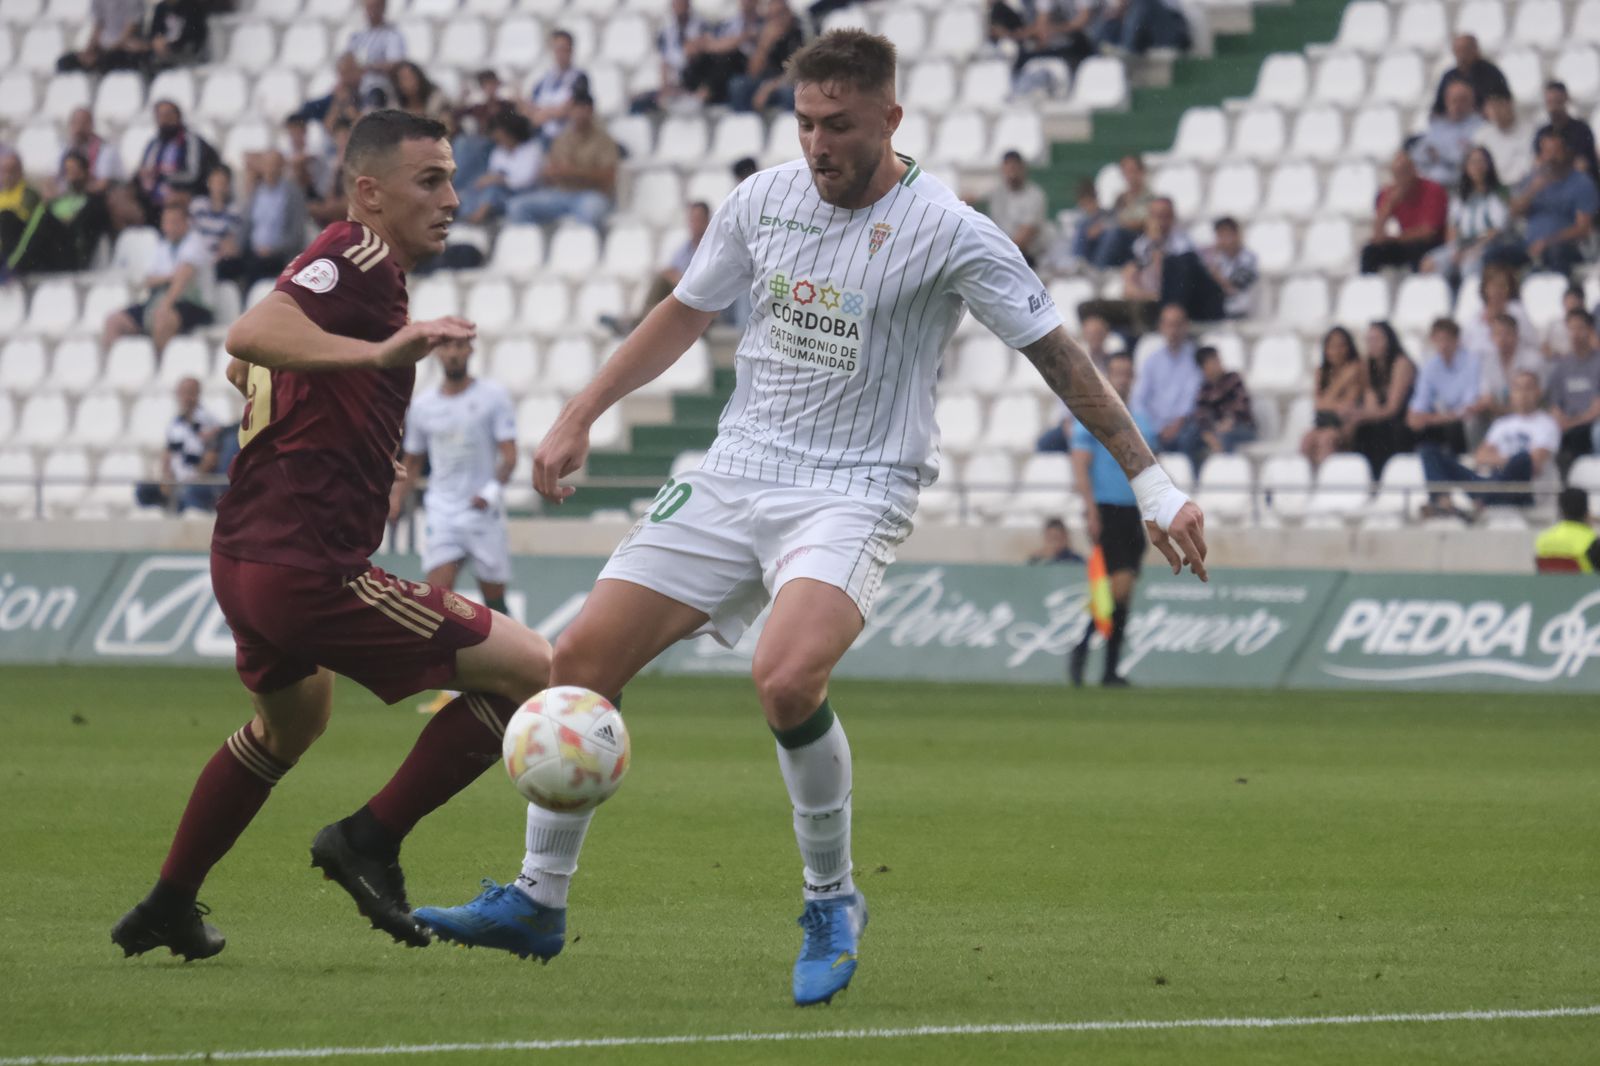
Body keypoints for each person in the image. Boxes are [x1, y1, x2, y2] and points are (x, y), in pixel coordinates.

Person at [407, 31, 1206, 1008]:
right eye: (806, 123)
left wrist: (1153, 485)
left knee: (786, 680)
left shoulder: (951, 230)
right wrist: (582, 412)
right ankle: (538, 897)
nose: (819, 144)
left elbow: (1057, 355)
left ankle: (831, 900)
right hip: (737, 469)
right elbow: (685, 310)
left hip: (857, 484)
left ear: (890, 119)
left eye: (839, 125)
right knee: (576, 662)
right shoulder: (762, 200)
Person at [110, 110, 552, 963]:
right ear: (370, 192)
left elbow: (249, 360)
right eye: (431, 181)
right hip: (309, 567)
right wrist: (378, 358)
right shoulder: (362, 255)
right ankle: (368, 839)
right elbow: (247, 336)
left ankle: (168, 901)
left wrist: (327, 386)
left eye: (453, 179)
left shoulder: (354, 269)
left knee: (290, 725)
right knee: (535, 669)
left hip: (243, 558)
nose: (452, 199)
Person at [393, 339, 519, 714]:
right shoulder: (423, 406)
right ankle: (448, 689)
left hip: (482, 513)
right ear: (437, 354)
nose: (452, 353)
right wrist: (396, 498)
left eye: (459, 347)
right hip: (442, 512)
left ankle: (516, 673)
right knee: (437, 599)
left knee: (495, 601)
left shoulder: (493, 397)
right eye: (446, 347)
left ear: (470, 351)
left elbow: (510, 457)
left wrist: (491, 492)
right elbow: (412, 461)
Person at [1068, 352, 1156, 688]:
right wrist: (1090, 509)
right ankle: (1087, 651)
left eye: (1127, 373)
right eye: (1117, 372)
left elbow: (1149, 467)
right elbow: (1080, 463)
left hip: (1132, 511)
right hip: (1106, 509)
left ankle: (1107, 667)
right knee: (1116, 588)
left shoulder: (1142, 421)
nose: (1122, 379)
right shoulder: (1091, 414)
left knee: (1122, 593)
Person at [1419, 371, 1555, 518]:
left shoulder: (1547, 424)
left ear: (1538, 392)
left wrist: (1499, 459)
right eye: (1518, 388)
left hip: (1521, 489)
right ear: (1511, 392)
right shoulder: (1502, 424)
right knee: (1429, 451)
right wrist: (1504, 461)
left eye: (1528, 388)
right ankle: (1444, 504)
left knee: (1521, 460)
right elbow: (1480, 457)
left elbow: (1534, 464)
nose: (1523, 394)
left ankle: (1481, 503)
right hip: (1490, 483)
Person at [101, 200, 215, 354]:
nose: (169, 226)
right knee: (114, 321)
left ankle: (158, 364)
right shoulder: (163, 246)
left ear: (186, 223)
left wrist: (165, 303)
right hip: (158, 300)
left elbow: (182, 279)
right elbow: (148, 280)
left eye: (174, 222)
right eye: (166, 222)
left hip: (194, 305)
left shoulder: (195, 243)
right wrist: (170, 278)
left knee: (163, 318)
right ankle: (116, 363)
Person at [506, 91, 618, 230]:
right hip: (561, 193)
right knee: (517, 207)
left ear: (591, 111)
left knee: (591, 212)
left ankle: (584, 243)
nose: (579, 114)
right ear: (570, 112)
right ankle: (537, 242)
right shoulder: (561, 139)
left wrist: (573, 172)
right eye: (576, 109)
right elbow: (551, 172)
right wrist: (550, 174)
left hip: (591, 193)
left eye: (584, 109)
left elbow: (609, 176)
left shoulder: (604, 140)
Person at [1489, 130, 1596, 275]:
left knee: (1555, 252)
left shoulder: (1581, 183)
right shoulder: (1533, 179)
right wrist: (1532, 190)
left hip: (1565, 247)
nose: (1551, 157)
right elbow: (1513, 213)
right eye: (1546, 152)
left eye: (1556, 151)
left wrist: (1547, 242)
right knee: (1494, 254)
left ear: (1567, 152)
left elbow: (1583, 228)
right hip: (1529, 245)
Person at [602, 201, 711, 337]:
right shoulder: (685, 248)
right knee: (661, 282)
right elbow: (671, 271)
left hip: (699, 305)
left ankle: (633, 324)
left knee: (662, 288)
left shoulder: (710, 249)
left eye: (697, 219)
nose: (694, 224)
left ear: (707, 221)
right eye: (691, 220)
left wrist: (677, 278)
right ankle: (637, 322)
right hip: (681, 298)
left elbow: (702, 287)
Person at [219, 150, 311, 291]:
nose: (270, 169)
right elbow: (246, 225)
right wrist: (236, 245)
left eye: (274, 165)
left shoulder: (293, 194)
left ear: (281, 167)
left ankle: (250, 302)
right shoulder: (257, 192)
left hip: (278, 254)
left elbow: (296, 235)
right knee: (225, 265)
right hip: (253, 251)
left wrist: (273, 249)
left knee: (254, 268)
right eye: (267, 165)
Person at [1035, 311, 1124, 452]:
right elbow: (1064, 395)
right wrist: (1067, 422)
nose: (1095, 338)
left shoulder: (1113, 362)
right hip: (1076, 420)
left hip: (1105, 419)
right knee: (1045, 444)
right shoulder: (1073, 362)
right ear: (1084, 335)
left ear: (1106, 334)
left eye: (1098, 333)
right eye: (1091, 334)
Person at [1422, 145, 1507, 286]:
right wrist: (1454, 249)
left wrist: (1475, 247)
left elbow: (1496, 229)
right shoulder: (1460, 197)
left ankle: (1470, 296)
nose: (1477, 167)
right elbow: (1452, 227)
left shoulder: (1497, 194)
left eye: (1481, 162)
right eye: (1473, 162)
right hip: (1461, 244)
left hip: (1485, 244)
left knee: (1469, 264)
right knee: (1430, 263)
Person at [134, 377, 222, 513]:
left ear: (198, 394)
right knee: (143, 490)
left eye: (190, 392)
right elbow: (168, 454)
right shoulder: (174, 424)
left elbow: (212, 457)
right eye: (183, 393)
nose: (186, 397)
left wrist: (194, 478)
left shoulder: (209, 422)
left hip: (198, 482)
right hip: (176, 482)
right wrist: (167, 479)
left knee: (190, 495)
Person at [1128, 303, 1201, 453]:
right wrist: (1152, 427)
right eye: (1169, 325)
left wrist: (1175, 426)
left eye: (1177, 325)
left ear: (1185, 326)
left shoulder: (1195, 360)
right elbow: (1139, 398)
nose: (1173, 331)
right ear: (1161, 327)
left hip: (1183, 428)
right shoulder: (1152, 361)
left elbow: (1190, 399)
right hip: (1152, 428)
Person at [1360, 149, 1447, 273]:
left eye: (1405, 172)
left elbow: (1429, 232)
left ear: (1413, 170)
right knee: (1371, 251)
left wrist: (1395, 239)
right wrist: (1389, 205)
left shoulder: (1433, 190)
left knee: (1418, 250)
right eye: (1398, 174)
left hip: (1431, 243)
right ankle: (1368, 283)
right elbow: (1377, 235)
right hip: (1405, 242)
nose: (1402, 178)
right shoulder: (1388, 194)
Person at [1349, 321, 1417, 478]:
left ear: (1389, 340)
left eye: (1376, 339)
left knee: (1381, 432)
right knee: (1362, 430)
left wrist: (1360, 415)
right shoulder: (1369, 366)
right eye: (1369, 340)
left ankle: (1382, 477)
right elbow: (1371, 405)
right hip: (1382, 420)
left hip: (1403, 421)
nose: (1372, 344)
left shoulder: (1401, 363)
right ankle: (1367, 477)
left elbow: (1393, 408)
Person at [135, 100, 221, 223]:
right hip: (151, 194)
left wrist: (161, 175)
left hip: (184, 192)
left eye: (168, 114)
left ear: (178, 116)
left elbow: (193, 174)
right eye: (160, 116)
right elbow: (144, 170)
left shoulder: (191, 141)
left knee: (173, 199)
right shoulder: (153, 144)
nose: (164, 119)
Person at [1406, 317, 1480, 456]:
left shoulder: (1472, 362)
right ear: (1432, 340)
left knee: (1455, 428)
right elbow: (1419, 405)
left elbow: (1469, 407)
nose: (1443, 345)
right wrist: (1420, 416)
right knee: (1412, 429)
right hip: (1443, 419)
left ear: (1457, 340)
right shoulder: (1430, 367)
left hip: (1464, 423)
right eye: (1439, 340)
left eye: (1447, 339)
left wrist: (1432, 418)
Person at [457, 111, 542, 225]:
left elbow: (527, 180)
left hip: (525, 192)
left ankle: (477, 217)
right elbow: (493, 173)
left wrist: (500, 179)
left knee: (493, 189)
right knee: (478, 186)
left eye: (502, 136)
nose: (498, 139)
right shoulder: (498, 151)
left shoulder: (532, 149)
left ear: (511, 133)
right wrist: (487, 180)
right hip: (501, 193)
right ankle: (465, 216)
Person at [1177, 345, 1255, 467]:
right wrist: (1207, 433)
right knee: (1188, 437)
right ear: (1203, 367)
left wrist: (1228, 422)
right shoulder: (1204, 389)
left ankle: (1227, 470)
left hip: (1241, 427)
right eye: (1213, 361)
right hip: (1216, 429)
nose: (1218, 364)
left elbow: (1241, 407)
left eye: (1217, 360)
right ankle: (1194, 474)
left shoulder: (1233, 379)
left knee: (1226, 437)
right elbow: (1201, 415)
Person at [1459, 265, 1538, 386]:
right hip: (1481, 381)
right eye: (1493, 286)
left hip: (1516, 375)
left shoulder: (1519, 314)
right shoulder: (1473, 321)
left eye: (1502, 286)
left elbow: (1533, 344)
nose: (1498, 291)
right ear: (1485, 288)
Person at [1300, 326, 1365, 467]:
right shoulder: (1322, 372)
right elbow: (1319, 405)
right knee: (1307, 440)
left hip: (1346, 426)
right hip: (1324, 422)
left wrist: (1329, 403)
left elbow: (1348, 406)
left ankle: (1326, 477)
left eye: (1341, 346)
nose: (1337, 351)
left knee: (1326, 439)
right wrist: (1343, 380)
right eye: (1332, 346)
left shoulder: (1357, 370)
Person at [1472, 314, 1545, 436]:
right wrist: (1486, 402)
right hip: (1497, 411)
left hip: (1529, 411)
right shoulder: (1488, 360)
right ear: (1491, 337)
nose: (1502, 339)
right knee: (1474, 418)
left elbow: (1539, 394)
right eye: (1498, 334)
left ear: (1516, 335)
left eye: (1507, 333)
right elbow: (1486, 394)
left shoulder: (1533, 359)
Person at [1546, 309, 1600, 474]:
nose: (1575, 334)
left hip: (1590, 424)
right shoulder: (1561, 367)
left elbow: (1597, 409)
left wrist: (1572, 423)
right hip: (1567, 424)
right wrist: (1560, 421)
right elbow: (1555, 405)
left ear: (1590, 330)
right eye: (1571, 328)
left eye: (1580, 328)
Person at [630, 0, 708, 114]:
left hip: (692, 82)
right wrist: (666, 88)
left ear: (688, 5)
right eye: (676, 4)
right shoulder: (667, 31)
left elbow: (696, 57)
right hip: (673, 84)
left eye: (681, 4)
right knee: (638, 103)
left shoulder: (701, 27)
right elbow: (665, 61)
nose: (678, 8)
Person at [682, 0, 763, 106]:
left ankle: (704, 94)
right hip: (724, 60)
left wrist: (727, 44)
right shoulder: (730, 23)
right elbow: (714, 44)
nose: (745, 2)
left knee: (729, 58)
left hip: (744, 63)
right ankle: (693, 94)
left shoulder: (762, 23)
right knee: (703, 60)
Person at [730, 0, 803, 113]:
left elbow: (797, 72)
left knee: (789, 91)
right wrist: (764, 45)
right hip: (766, 81)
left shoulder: (797, 33)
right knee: (738, 85)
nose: (776, 21)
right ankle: (744, 121)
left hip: (788, 83)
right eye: (771, 17)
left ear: (788, 13)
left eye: (780, 14)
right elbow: (752, 72)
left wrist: (768, 88)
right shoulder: (764, 33)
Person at [49, 150, 115, 270]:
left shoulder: (94, 201)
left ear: (85, 172)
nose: (70, 175)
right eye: (67, 170)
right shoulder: (58, 201)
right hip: (55, 248)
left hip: (76, 254)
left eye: (74, 170)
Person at [1413, 78, 1484, 188]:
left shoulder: (1479, 126)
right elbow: (1418, 156)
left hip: (1464, 186)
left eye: (1463, 100)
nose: (1458, 105)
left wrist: (1439, 155)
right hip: (1435, 184)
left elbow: (1465, 160)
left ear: (1471, 101)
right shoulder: (1437, 126)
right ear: (1446, 101)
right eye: (1454, 100)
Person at [522, 30, 591, 142]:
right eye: (557, 49)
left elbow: (569, 109)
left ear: (571, 50)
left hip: (567, 137)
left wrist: (544, 114)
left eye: (564, 49)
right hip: (542, 135)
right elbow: (531, 104)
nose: (560, 54)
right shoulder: (545, 77)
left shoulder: (579, 78)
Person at [987, 149, 1051, 267]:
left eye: (1014, 167)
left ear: (1023, 168)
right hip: (1002, 253)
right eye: (1008, 167)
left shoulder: (1035, 195)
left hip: (1028, 257)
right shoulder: (998, 194)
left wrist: (1000, 254)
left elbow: (1026, 234)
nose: (1011, 172)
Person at [1090, 154, 1152, 268]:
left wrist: (1108, 225)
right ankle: (1077, 263)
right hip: (1116, 232)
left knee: (1114, 233)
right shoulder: (1121, 198)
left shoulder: (1149, 198)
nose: (1129, 176)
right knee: (1086, 223)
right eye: (1126, 172)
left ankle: (1097, 268)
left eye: (1132, 171)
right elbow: (1113, 215)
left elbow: (1142, 222)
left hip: (1135, 238)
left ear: (1141, 172)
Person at [57, 0, 146, 73]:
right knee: (65, 62)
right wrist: (91, 47)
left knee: (114, 56)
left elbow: (132, 24)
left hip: (124, 44)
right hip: (104, 46)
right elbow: (98, 24)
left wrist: (114, 46)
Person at [347, 0, 407, 109]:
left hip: (379, 86)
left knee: (373, 102)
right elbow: (348, 61)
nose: (371, 11)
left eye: (375, 7)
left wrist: (367, 67)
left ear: (383, 8)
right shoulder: (358, 35)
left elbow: (394, 64)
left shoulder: (392, 34)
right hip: (357, 87)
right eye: (368, 7)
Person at [1535, 80, 1599, 182]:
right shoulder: (1542, 133)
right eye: (1549, 102)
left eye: (1557, 101)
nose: (1553, 108)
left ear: (1565, 99)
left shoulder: (1581, 130)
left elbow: (1584, 165)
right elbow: (1538, 165)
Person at [1430, 35, 1509, 116]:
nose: (1462, 54)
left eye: (1465, 49)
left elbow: (1503, 103)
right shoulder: (1449, 76)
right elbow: (1437, 109)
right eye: (1458, 50)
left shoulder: (1491, 73)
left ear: (1475, 50)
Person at [1201, 216, 1259, 319]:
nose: (1224, 240)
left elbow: (1233, 288)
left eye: (1228, 235)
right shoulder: (1217, 257)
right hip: (1220, 311)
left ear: (1237, 235)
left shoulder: (1249, 258)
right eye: (1220, 235)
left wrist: (1215, 274)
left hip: (1242, 312)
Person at [1473, 91, 1534, 187]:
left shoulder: (1531, 131)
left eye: (1499, 105)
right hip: (1494, 188)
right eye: (1491, 106)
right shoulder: (1481, 137)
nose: (1496, 111)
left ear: (1510, 103)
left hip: (1528, 186)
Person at [295, 52, 366, 132]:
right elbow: (328, 127)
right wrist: (338, 102)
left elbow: (366, 125)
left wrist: (348, 107)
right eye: (343, 73)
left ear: (360, 71)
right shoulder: (333, 98)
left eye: (351, 70)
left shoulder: (370, 92)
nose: (347, 77)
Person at [61, 107, 124, 194]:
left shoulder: (106, 150)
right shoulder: (65, 149)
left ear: (91, 125)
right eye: (75, 123)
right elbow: (53, 179)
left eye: (83, 123)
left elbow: (102, 185)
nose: (79, 128)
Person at [1534, 487, 1600, 572]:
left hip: (1551, 581)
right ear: (1586, 510)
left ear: (1561, 509)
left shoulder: (1542, 539)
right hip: (1584, 580)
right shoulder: (1592, 541)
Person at [190, 164, 243, 262]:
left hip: (217, 260)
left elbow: (229, 241)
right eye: (216, 182)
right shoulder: (197, 205)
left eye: (222, 183)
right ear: (209, 183)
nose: (219, 187)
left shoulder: (234, 211)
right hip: (195, 256)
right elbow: (190, 233)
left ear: (228, 185)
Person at [1093, 0, 1190, 55]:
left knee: (1142, 4)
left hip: (1170, 34)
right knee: (1109, 24)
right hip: (1145, 32)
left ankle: (1126, 52)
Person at [147, 0, 210, 69]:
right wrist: (157, 40)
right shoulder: (161, 7)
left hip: (185, 50)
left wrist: (170, 45)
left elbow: (193, 34)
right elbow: (155, 30)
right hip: (165, 50)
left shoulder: (191, 6)